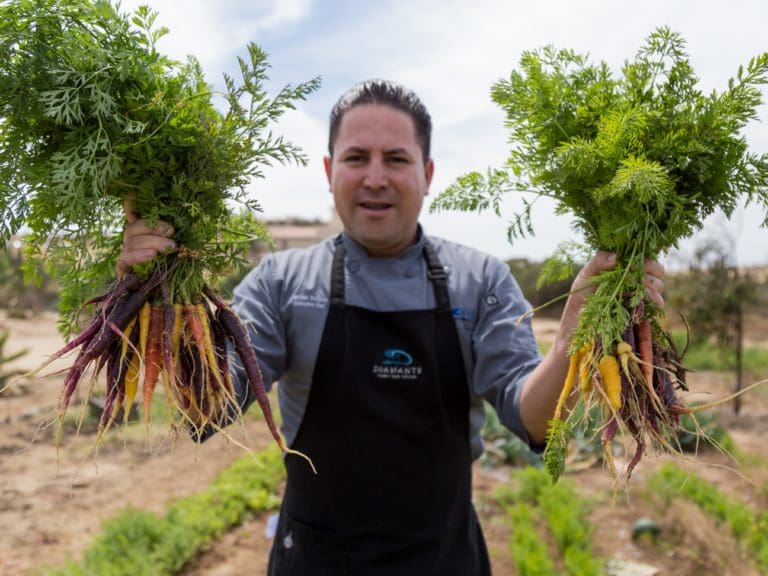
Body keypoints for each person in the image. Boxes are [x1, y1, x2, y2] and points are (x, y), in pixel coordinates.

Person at [118, 79, 665, 576]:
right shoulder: (281, 282)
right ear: (330, 171)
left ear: (426, 175)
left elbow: (533, 420)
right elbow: (207, 405)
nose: (375, 178)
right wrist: (162, 300)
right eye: (357, 157)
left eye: (396, 159)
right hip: (315, 563)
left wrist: (572, 342)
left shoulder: (480, 281)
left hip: (443, 560)